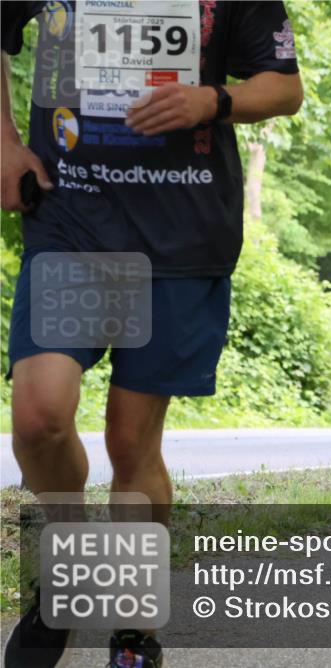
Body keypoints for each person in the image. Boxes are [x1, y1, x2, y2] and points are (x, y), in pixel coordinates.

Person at [2, 3, 302, 666]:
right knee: (39, 417)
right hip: (71, 222)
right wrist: (3, 140)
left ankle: (133, 631)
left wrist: (214, 99)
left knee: (131, 439)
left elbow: (284, 87)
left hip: (180, 233)